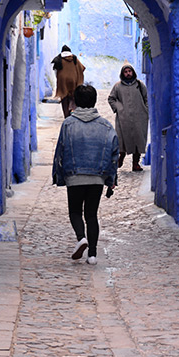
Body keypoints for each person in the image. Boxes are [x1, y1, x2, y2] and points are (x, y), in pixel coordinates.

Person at [52, 85, 119, 265]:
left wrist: (59, 176)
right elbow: (114, 154)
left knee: (75, 211)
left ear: (76, 101)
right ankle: (92, 255)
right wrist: (111, 179)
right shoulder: (106, 126)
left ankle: (81, 238)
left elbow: (60, 151)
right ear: (94, 101)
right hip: (96, 177)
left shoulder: (68, 124)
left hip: (74, 176)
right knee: (91, 214)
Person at [108, 63, 149, 172]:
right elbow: (111, 99)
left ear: (133, 72)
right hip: (123, 119)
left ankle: (135, 164)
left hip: (139, 118)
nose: (128, 74)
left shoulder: (140, 85)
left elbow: (146, 98)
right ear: (122, 74)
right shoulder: (117, 86)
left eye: (129, 71)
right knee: (122, 140)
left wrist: (146, 110)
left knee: (138, 140)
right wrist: (118, 108)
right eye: (125, 72)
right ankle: (121, 158)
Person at [51, 45, 86, 118]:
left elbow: (55, 70)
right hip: (74, 80)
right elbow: (82, 68)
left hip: (63, 82)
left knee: (64, 97)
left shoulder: (59, 59)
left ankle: (66, 115)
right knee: (73, 96)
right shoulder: (74, 58)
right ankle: (72, 109)